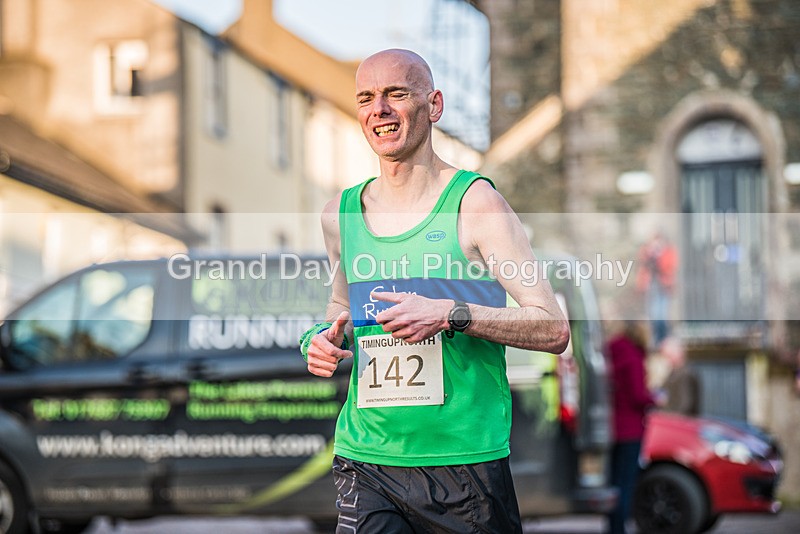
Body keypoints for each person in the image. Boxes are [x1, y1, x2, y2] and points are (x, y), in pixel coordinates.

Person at [300, 49, 570, 533]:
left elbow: (551, 326)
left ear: (434, 105)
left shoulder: (476, 204)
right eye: (366, 98)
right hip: (367, 457)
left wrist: (450, 314)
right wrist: (320, 339)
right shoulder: (338, 214)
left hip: (463, 464)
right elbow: (340, 307)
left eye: (396, 94)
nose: (378, 109)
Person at [605, 321, 657, 534]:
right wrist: (654, 398)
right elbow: (637, 395)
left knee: (615, 482)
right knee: (626, 483)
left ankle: (613, 527)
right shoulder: (633, 358)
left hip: (613, 428)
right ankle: (620, 528)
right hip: (631, 430)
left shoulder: (613, 355)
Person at [635, 232, 678, 347]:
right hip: (651, 287)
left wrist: (659, 256)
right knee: (653, 314)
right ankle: (656, 340)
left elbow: (668, 267)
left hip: (663, 287)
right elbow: (643, 265)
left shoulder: (668, 252)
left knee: (662, 315)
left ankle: (663, 339)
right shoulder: (648, 252)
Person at [659, 336, 700, 416]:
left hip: (680, 424)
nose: (665, 359)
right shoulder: (674, 372)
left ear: (677, 354)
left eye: (667, 355)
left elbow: (685, 406)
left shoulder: (686, 374)